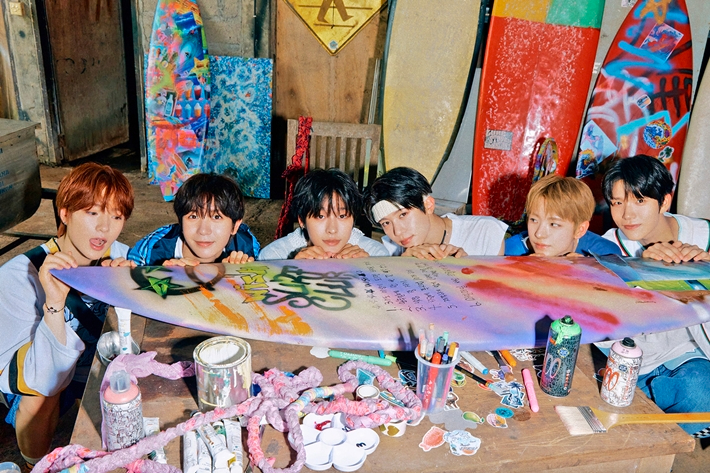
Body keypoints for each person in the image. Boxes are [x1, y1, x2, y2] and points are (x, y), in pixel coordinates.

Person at [0, 163, 135, 470]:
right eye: (92, 213)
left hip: (88, 365)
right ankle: (33, 463)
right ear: (65, 213)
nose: (105, 228)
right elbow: (40, 377)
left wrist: (128, 291)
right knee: (44, 392)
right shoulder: (17, 277)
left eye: (116, 216)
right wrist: (54, 302)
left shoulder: (120, 257)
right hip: (35, 376)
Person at [599, 154, 710, 438]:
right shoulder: (606, 250)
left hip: (689, 359)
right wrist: (645, 274)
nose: (627, 215)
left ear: (665, 201)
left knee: (702, 394)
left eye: (639, 200)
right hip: (630, 361)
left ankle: (652, 445)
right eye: (617, 203)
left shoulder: (703, 235)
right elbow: (602, 327)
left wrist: (703, 271)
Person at [364, 167, 507, 259]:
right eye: (386, 223)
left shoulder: (485, 232)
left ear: (428, 205)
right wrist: (404, 263)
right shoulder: (391, 248)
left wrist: (466, 269)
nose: (398, 232)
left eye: (403, 215)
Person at [128, 173, 260, 266]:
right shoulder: (151, 252)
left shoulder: (247, 247)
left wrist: (241, 276)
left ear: (235, 226)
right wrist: (161, 281)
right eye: (193, 216)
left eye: (216, 217)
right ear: (180, 222)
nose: (204, 231)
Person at [259, 168, 388, 260]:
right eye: (320, 216)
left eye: (342, 216)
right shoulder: (274, 257)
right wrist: (293, 271)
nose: (332, 230)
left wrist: (369, 269)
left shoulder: (375, 255)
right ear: (302, 220)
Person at [505, 174, 621, 256]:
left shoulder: (607, 256)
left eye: (553, 224)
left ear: (579, 230)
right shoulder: (509, 253)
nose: (539, 234)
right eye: (534, 220)